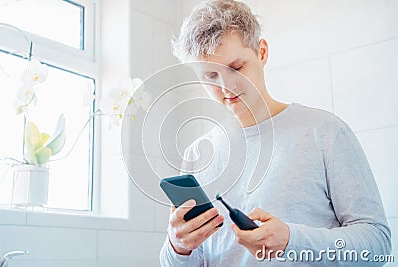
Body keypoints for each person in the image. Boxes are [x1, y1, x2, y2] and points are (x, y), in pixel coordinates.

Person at [159, 0, 391, 266]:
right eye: (211, 76)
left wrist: (292, 241)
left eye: (236, 68)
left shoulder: (324, 132)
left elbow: (377, 245)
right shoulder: (197, 154)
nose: (226, 87)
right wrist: (178, 247)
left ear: (262, 52)